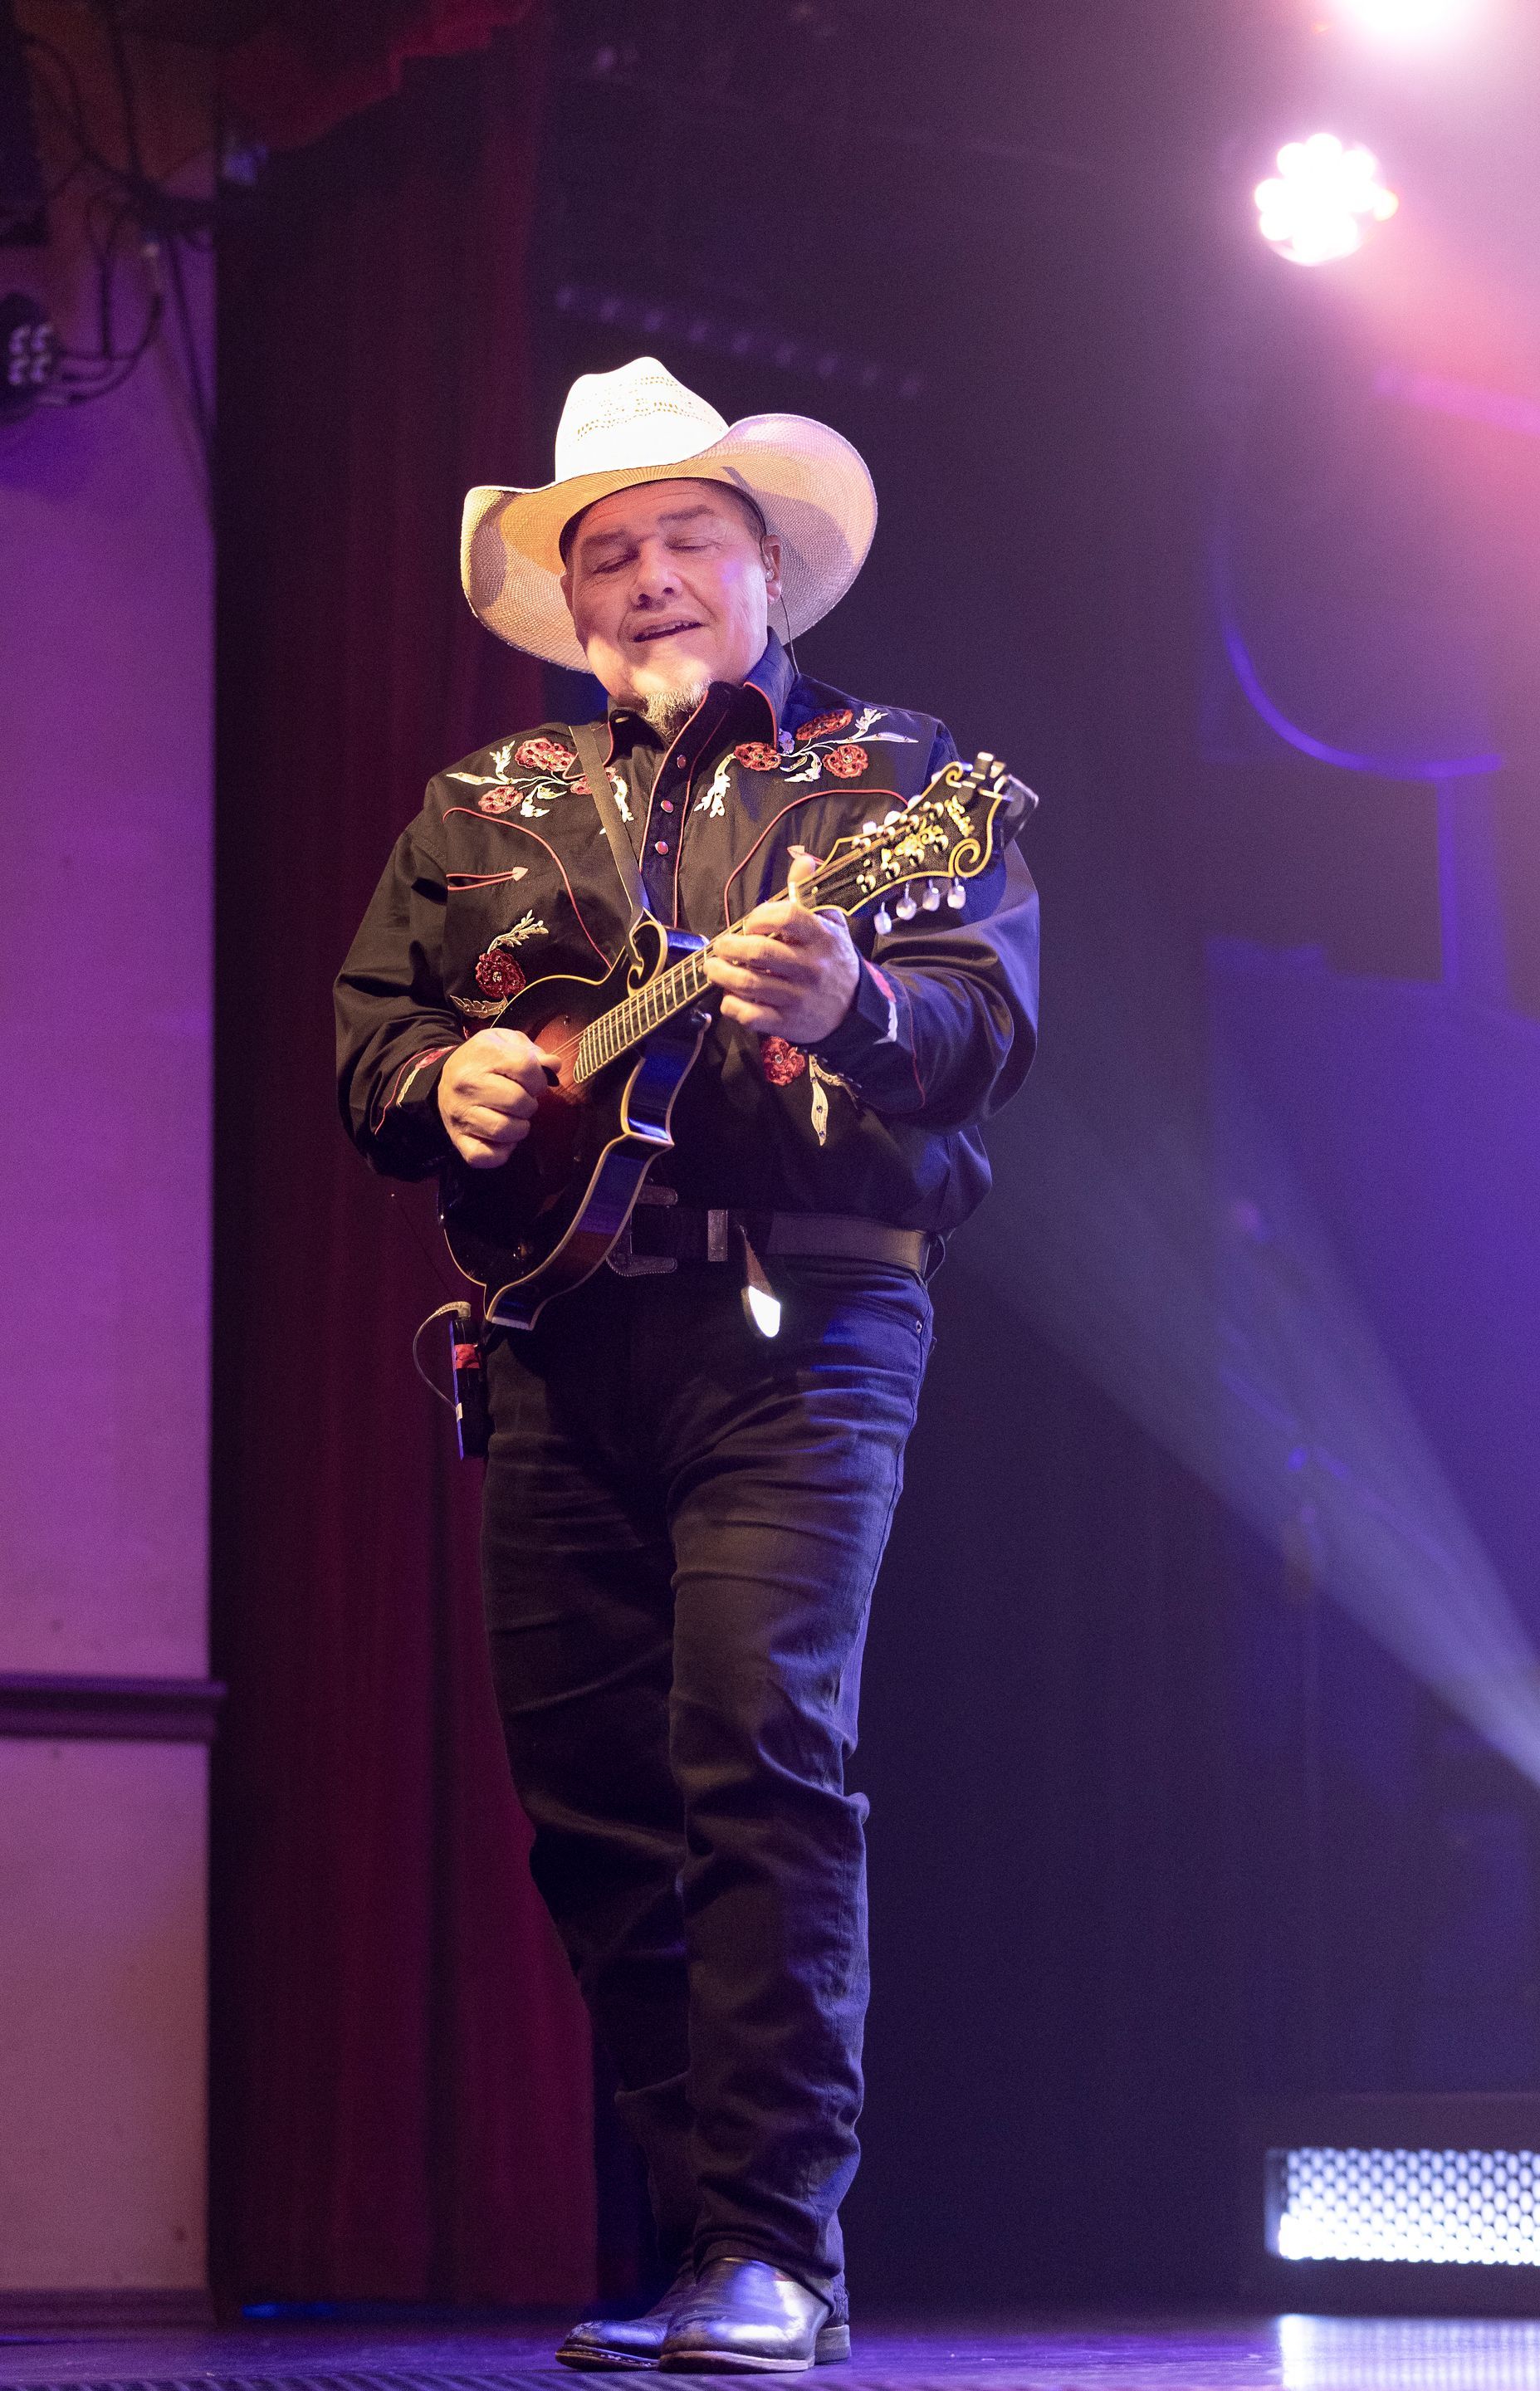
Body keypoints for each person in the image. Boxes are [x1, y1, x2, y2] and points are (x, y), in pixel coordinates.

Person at [335, 357, 1039, 2372]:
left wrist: (856, 996)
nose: (648, 581)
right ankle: (713, 2246)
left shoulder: (902, 784)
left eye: (687, 543)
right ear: (570, 603)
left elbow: (984, 1026)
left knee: (757, 1746)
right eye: (610, 554)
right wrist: (435, 1074)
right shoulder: (485, 806)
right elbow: (365, 1034)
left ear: (769, 576)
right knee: (590, 1803)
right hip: (559, 1337)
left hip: (807, 1323)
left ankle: (774, 2248)